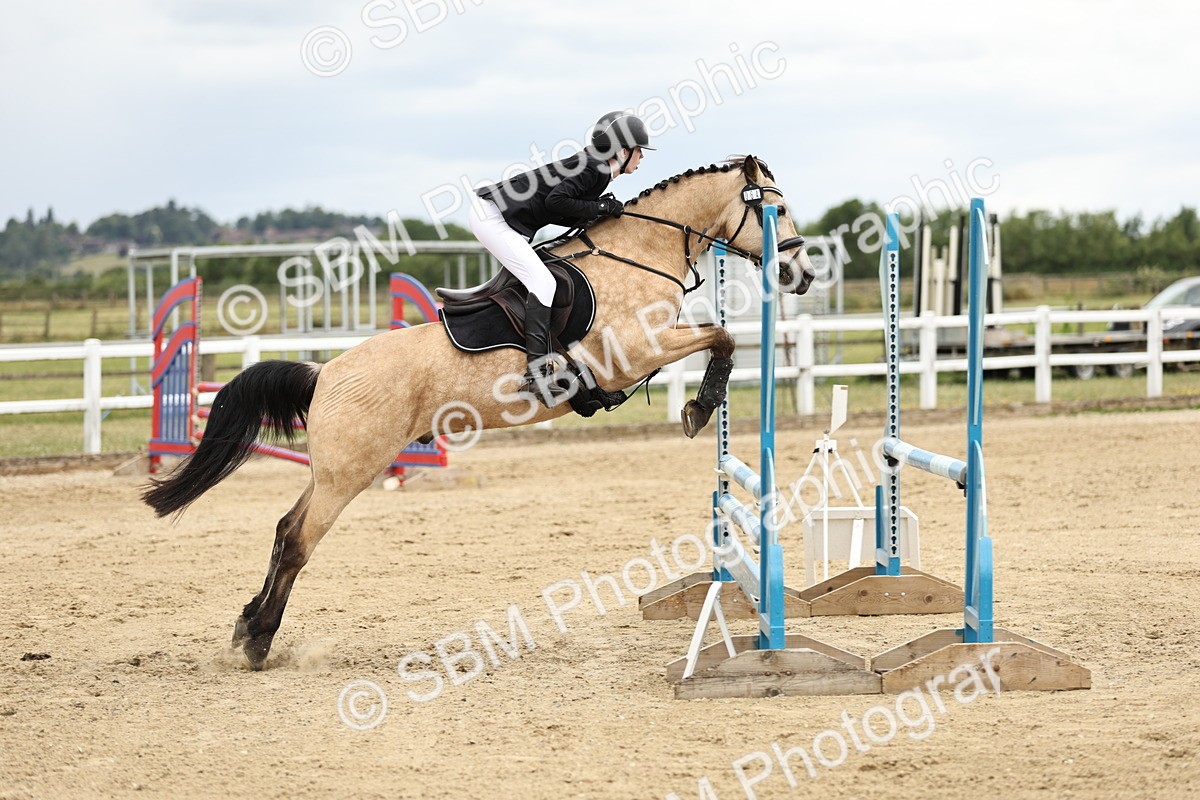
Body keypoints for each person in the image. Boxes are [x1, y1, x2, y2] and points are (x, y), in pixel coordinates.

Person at [468, 111, 653, 406]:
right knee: (543, 282)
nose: (642, 156)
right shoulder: (595, 169)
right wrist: (600, 208)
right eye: (639, 149)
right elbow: (556, 201)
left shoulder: (596, 168)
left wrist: (597, 209)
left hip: (497, 216)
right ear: (622, 151)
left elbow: (560, 209)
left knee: (541, 279)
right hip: (493, 218)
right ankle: (536, 375)